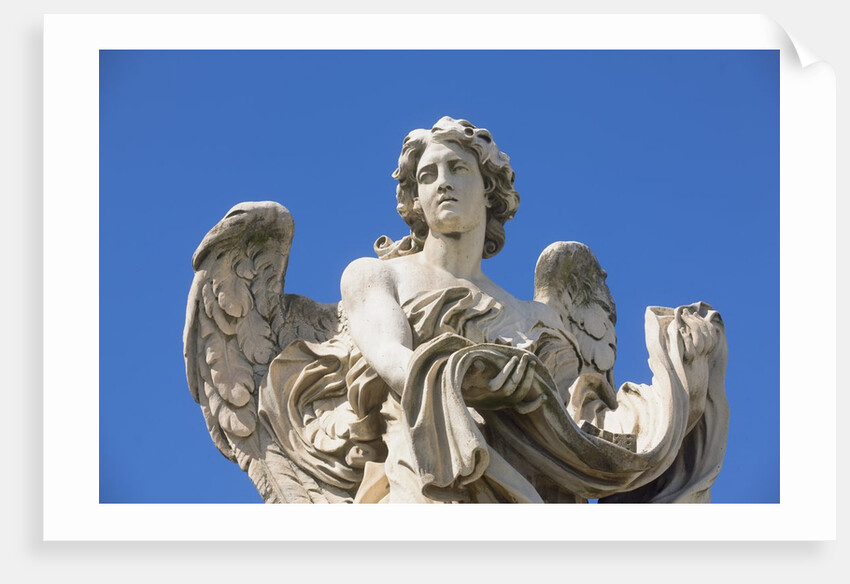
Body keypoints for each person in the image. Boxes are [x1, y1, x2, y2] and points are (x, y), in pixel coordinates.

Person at [258, 116, 728, 504]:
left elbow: (582, 427)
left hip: (536, 493)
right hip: (430, 474)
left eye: (458, 169)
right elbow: (394, 361)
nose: (442, 183)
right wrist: (473, 373)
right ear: (415, 200)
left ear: (489, 188)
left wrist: (681, 381)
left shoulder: (539, 319)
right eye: (427, 175)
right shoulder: (377, 276)